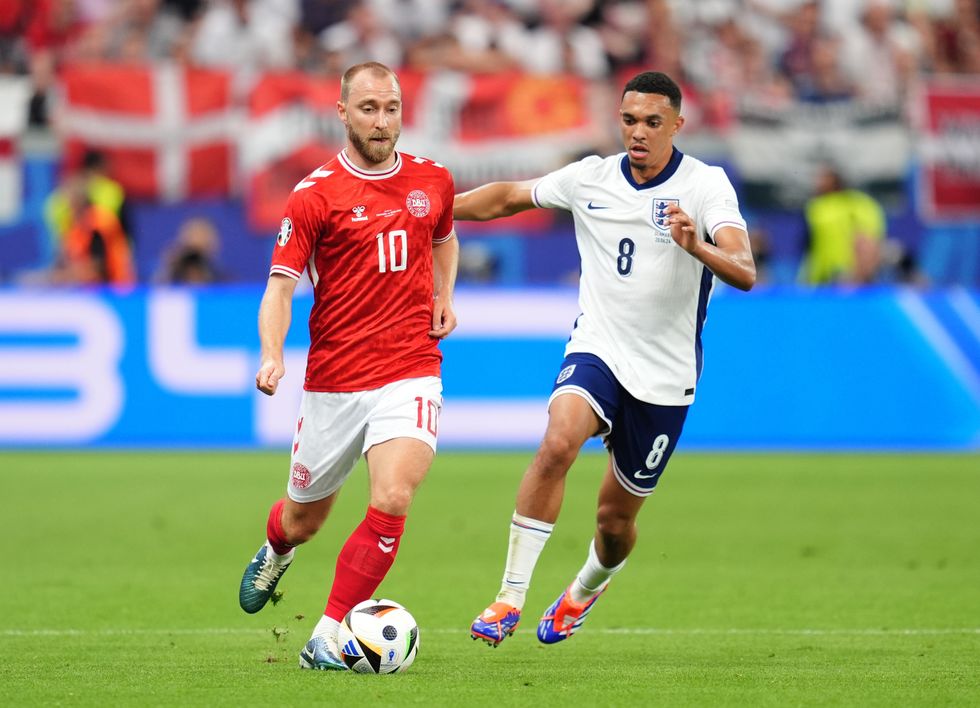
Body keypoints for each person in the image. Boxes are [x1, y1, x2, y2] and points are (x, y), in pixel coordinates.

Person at [453, 71, 755, 647]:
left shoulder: (704, 185)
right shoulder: (589, 177)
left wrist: (699, 245)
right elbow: (507, 197)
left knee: (614, 524)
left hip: (666, 377)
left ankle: (586, 588)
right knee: (558, 441)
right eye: (628, 120)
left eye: (652, 122)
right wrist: (433, 210)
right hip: (598, 347)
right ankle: (508, 597)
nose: (637, 133)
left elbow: (745, 269)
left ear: (677, 126)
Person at [238, 61, 459, 671]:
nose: (382, 120)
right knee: (303, 520)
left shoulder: (433, 180)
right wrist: (272, 355)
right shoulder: (314, 196)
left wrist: (444, 293)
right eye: (368, 109)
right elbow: (280, 287)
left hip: (412, 365)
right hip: (335, 381)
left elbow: (444, 235)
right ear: (342, 113)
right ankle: (278, 547)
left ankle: (329, 635)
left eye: (391, 108)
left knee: (393, 495)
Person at [802, 165, 885, 285]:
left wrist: (857, 269)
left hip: (850, 274)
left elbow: (870, 239)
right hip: (823, 276)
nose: (817, 183)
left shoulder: (858, 205)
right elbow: (811, 246)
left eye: (823, 179)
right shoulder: (815, 208)